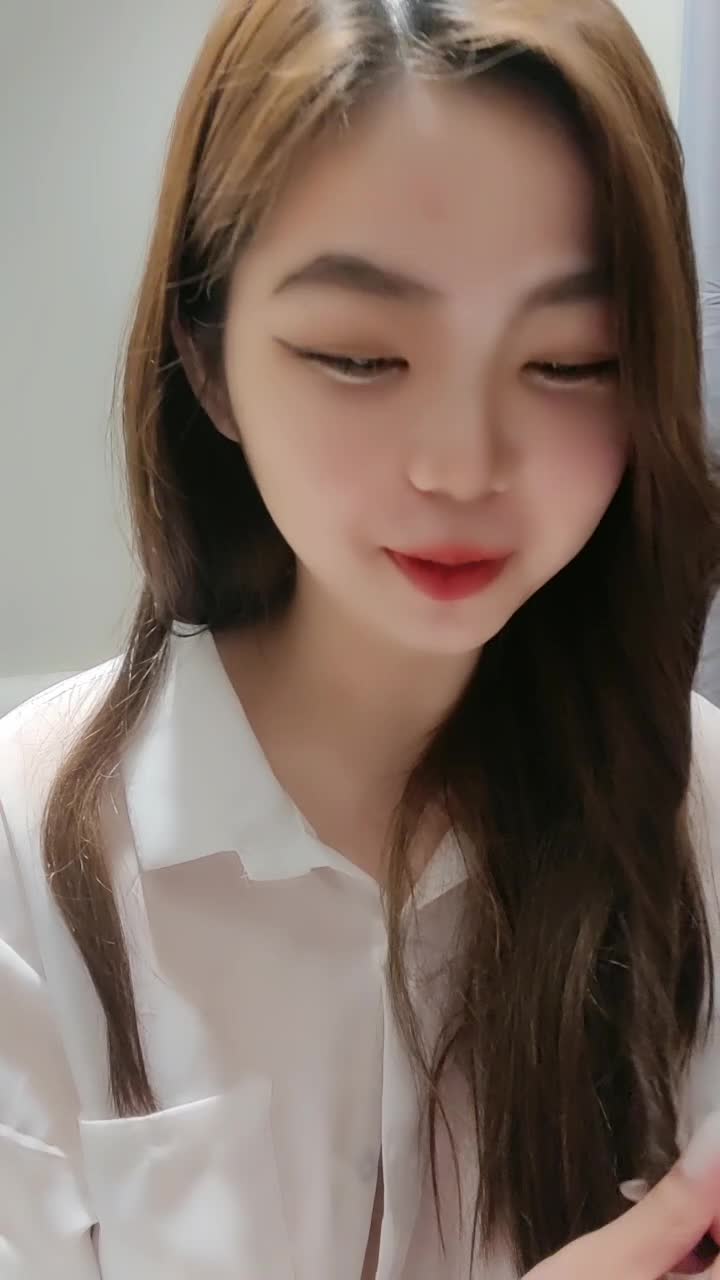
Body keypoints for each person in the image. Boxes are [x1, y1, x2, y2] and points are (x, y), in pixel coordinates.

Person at [1, 0, 719, 1276]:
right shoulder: (29, 846)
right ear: (207, 362)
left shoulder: (695, 815)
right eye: (358, 356)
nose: (462, 466)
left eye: (570, 361)